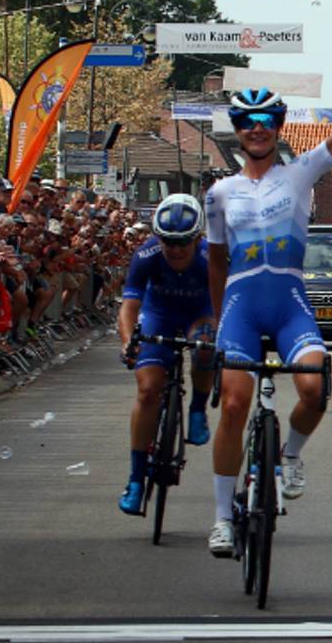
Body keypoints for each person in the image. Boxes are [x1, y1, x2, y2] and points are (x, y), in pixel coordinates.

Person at [204, 45, 332, 556]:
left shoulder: (299, 173)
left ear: (278, 127)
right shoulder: (219, 193)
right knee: (234, 405)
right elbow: (216, 261)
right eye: (247, 122)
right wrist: (217, 322)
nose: (256, 129)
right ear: (237, 131)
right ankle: (221, 519)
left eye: (265, 121)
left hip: (289, 303)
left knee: (314, 385)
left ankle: (291, 454)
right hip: (240, 306)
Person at [116, 194, 215, 516]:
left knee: (204, 347)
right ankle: (135, 479)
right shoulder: (145, 255)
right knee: (147, 391)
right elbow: (129, 306)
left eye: (183, 242)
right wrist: (129, 341)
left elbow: (227, 305)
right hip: (159, 314)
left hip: (200, 314)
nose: (174, 249)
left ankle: (198, 409)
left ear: (198, 237)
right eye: (168, 242)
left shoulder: (210, 257)